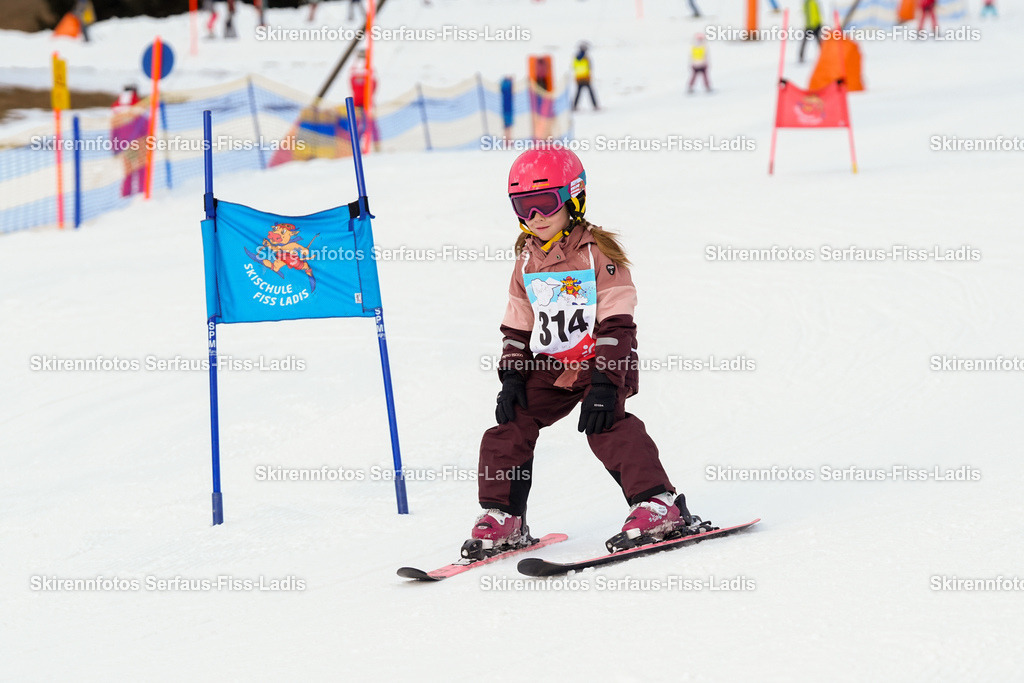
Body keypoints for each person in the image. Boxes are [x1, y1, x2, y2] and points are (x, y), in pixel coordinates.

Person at [467, 148, 691, 556]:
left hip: (602, 360)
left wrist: (606, 382)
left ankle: (659, 503)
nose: (534, 217)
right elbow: (517, 322)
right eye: (523, 206)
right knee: (508, 428)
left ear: (574, 198)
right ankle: (504, 517)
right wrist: (513, 375)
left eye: (543, 203)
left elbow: (617, 321)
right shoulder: (526, 261)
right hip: (551, 365)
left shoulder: (597, 254)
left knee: (605, 425)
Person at [349, 53, 380, 152]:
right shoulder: (357, 81)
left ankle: (375, 146)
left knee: (370, 126)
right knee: (358, 126)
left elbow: (374, 83)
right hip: (357, 106)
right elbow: (352, 74)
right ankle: (355, 145)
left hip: (368, 105)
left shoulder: (368, 82)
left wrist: (368, 64)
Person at [572, 43, 599, 111]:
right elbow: (589, 67)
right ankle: (595, 106)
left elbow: (574, 67)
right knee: (591, 92)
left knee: (578, 93)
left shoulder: (575, 58)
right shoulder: (586, 58)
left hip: (578, 78)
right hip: (586, 78)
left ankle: (574, 106)